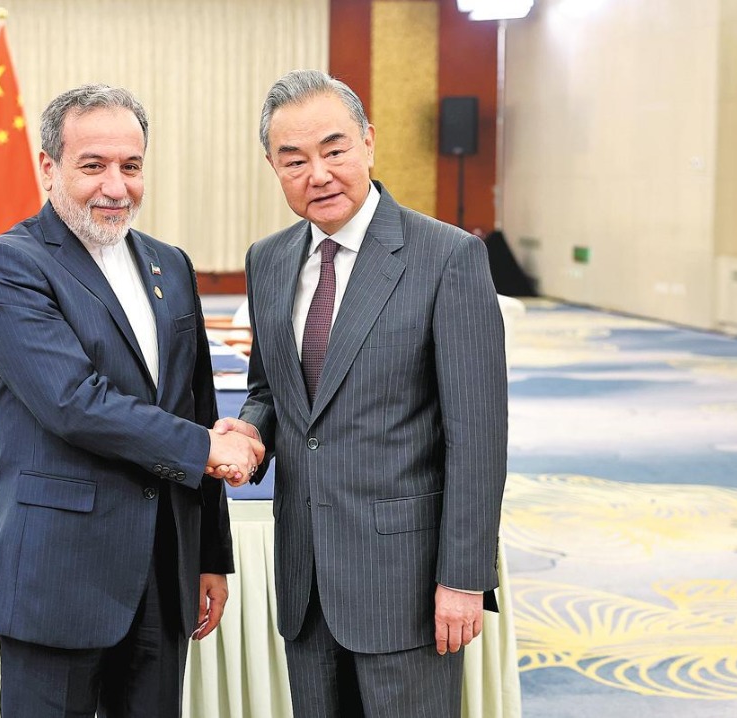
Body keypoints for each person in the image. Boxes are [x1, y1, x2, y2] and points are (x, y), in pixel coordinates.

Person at [215, 70, 508, 717]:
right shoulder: (268, 260)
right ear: (273, 167)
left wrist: (464, 578)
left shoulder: (447, 258)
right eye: (294, 160)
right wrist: (252, 429)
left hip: (408, 582)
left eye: (334, 149)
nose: (318, 174)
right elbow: (270, 388)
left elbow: (478, 438)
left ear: (369, 142)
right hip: (306, 577)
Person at [0, 84, 263, 717]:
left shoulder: (170, 265)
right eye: (93, 165)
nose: (115, 186)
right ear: (49, 168)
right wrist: (208, 448)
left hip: (165, 569)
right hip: (58, 572)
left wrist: (209, 555)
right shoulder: (9, 266)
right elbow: (73, 402)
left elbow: (195, 404)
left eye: (131, 166)